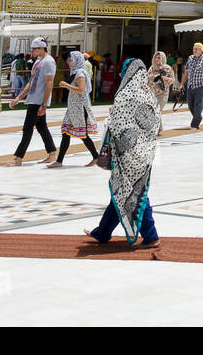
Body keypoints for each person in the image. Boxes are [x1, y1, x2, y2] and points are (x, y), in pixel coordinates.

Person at [86, 60, 160, 248]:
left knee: (132, 193)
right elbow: (155, 124)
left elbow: (118, 125)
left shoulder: (125, 95)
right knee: (126, 192)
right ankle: (102, 232)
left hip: (127, 155)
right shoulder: (149, 95)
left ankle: (151, 236)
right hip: (145, 153)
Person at [5, 37, 57, 166]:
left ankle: (18, 158)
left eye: (34, 49)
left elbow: (49, 83)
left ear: (41, 48)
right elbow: (31, 82)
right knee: (41, 127)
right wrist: (19, 97)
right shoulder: (38, 62)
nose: (32, 51)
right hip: (33, 99)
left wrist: (44, 104)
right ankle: (52, 154)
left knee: (27, 129)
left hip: (38, 101)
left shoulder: (49, 62)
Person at [52, 50, 99, 167]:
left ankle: (96, 157)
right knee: (66, 132)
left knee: (82, 134)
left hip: (79, 108)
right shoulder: (75, 72)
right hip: (73, 107)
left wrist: (66, 85)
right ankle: (59, 161)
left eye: (70, 60)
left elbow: (81, 89)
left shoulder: (80, 73)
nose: (69, 62)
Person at [182, 42, 203, 130]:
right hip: (190, 86)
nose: (194, 50)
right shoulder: (190, 58)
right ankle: (198, 118)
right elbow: (186, 72)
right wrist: (182, 84)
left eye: (196, 49)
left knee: (198, 106)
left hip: (201, 86)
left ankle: (194, 125)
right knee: (190, 106)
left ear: (201, 50)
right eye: (193, 49)